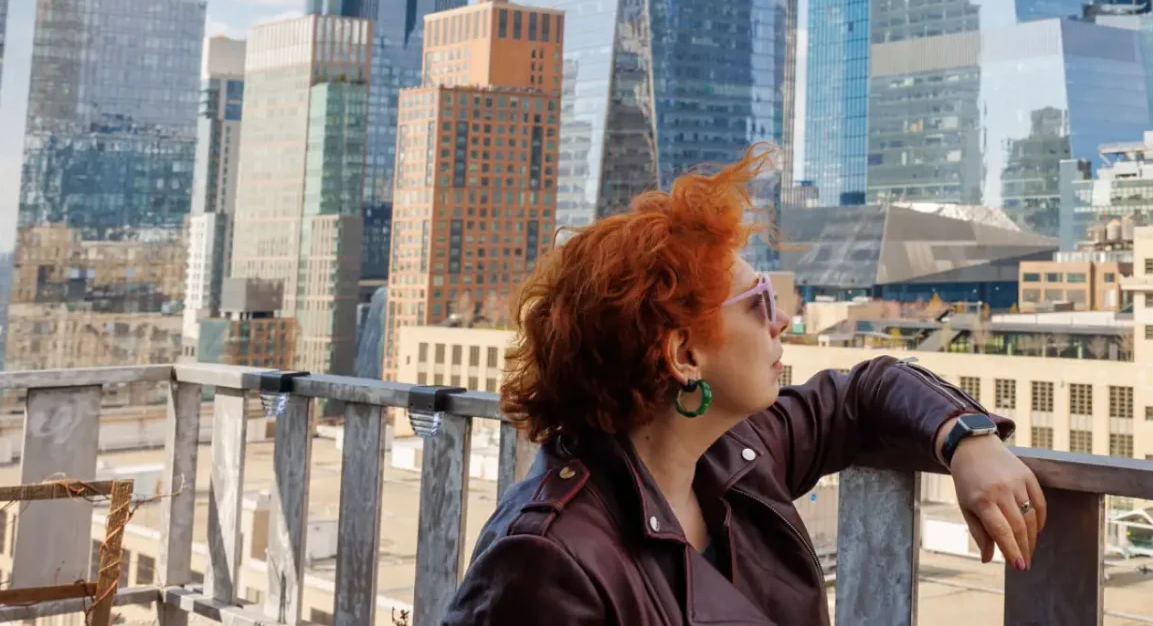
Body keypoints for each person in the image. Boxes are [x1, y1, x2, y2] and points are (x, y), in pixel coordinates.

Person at [441, 148, 1048, 625]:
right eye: (758, 302)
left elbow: (863, 392)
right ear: (684, 353)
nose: (780, 318)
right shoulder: (547, 559)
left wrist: (968, 438)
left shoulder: (738, 454)